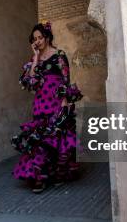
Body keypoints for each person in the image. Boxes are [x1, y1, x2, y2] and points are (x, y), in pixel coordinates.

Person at [11, 21, 83, 193]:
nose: (37, 41)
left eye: (40, 37)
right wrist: (35, 59)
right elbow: (30, 82)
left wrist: (64, 102)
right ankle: (40, 177)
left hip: (56, 101)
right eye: (34, 39)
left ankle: (59, 174)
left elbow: (66, 79)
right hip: (41, 102)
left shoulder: (59, 55)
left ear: (47, 37)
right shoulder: (34, 59)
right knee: (41, 139)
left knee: (58, 137)